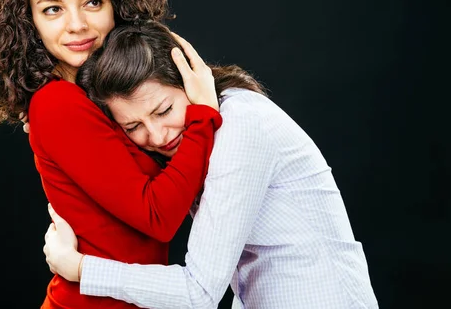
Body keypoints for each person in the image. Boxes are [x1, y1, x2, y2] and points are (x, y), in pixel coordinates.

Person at [0, 0, 223, 309]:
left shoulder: (101, 98)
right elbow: (158, 215)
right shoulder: (57, 104)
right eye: (52, 10)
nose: (77, 25)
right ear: (29, 23)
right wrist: (205, 115)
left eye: (93, 2)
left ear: (117, 4)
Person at [42, 21, 379, 308]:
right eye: (133, 127)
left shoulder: (240, 125)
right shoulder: (189, 144)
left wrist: (82, 269)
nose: (157, 135)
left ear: (192, 81)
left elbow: (200, 292)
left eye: (163, 111)